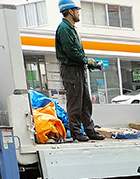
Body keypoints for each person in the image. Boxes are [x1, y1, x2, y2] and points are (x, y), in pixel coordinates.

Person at [55, 0, 104, 142]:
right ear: (70, 11)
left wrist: (87, 63)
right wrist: (87, 60)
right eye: (77, 10)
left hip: (78, 68)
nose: (78, 13)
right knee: (75, 102)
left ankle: (89, 130)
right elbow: (71, 52)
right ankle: (76, 132)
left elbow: (76, 53)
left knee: (85, 102)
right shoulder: (64, 28)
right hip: (70, 69)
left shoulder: (71, 28)